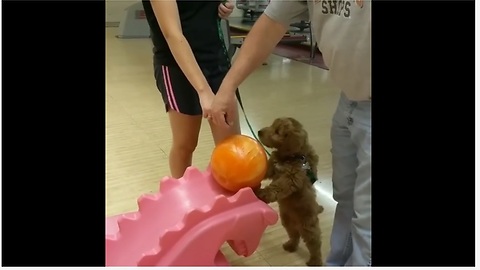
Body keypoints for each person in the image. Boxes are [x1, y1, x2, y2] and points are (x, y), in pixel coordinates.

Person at [206, 0, 371, 266]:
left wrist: (265, 193)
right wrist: (227, 88)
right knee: (347, 200)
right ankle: (336, 262)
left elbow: (287, 183)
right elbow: (270, 24)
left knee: (368, 217)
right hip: (348, 99)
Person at [141, 0, 241, 178]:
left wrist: (228, 2)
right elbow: (172, 33)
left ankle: (231, 200)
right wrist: (203, 91)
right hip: (177, 66)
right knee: (185, 144)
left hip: (215, 58)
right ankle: (182, 197)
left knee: (232, 147)